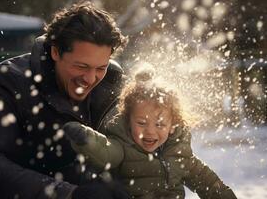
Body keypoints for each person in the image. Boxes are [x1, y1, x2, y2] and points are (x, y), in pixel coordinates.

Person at [0, 2, 128, 199]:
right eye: (81, 66)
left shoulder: (112, 82)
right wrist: (66, 193)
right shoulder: (11, 80)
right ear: (55, 52)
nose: (90, 78)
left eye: (100, 68)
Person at [63, 66, 238, 199]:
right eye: (141, 123)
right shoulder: (122, 144)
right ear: (128, 120)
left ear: (172, 125)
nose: (150, 132)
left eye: (160, 124)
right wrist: (87, 139)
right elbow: (106, 151)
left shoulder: (179, 153)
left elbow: (206, 181)